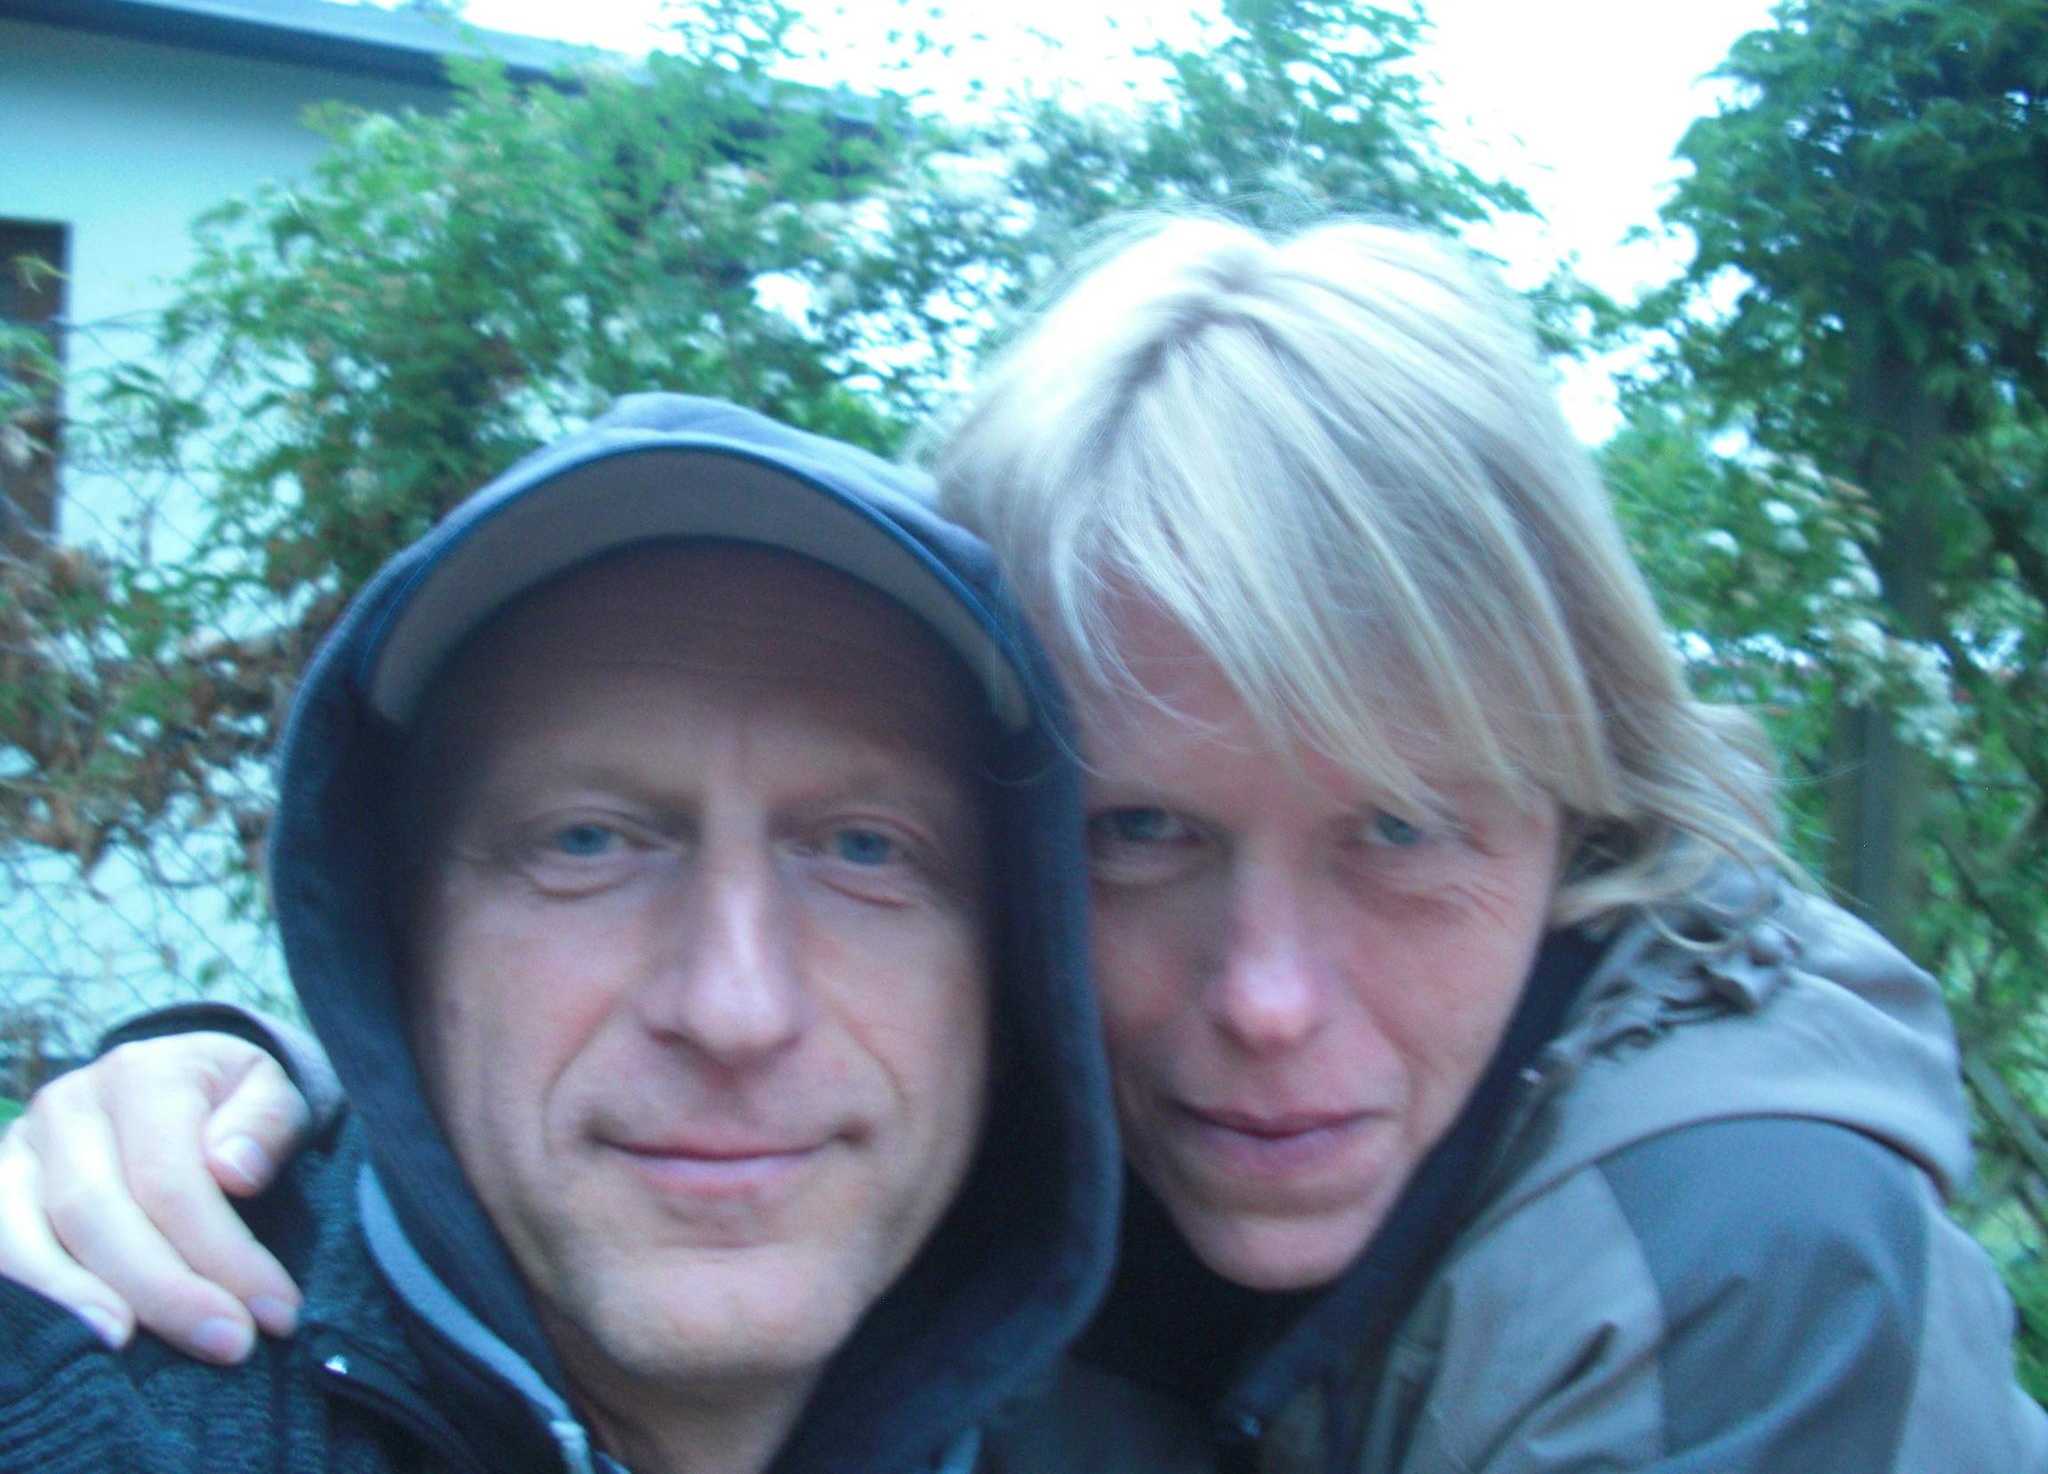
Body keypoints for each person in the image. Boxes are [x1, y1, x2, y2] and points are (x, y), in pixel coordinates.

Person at [7, 218, 2044, 1472]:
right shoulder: (1020, 1163)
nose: (1264, 1003)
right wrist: (241, 1109)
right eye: (1142, 829)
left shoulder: (1729, 1273)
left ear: (1580, 807)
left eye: (1403, 827)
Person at [0, 394, 1119, 1474]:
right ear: (399, 942)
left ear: (1013, 972)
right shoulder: (85, 1412)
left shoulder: (1152, 1429)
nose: (734, 1010)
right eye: (587, 843)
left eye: (864, 850)